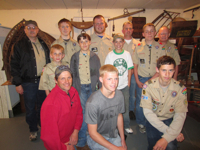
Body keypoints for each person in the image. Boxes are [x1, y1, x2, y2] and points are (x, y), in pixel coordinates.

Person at [10, 20, 50, 141]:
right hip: (28, 83)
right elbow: (14, 65)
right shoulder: (18, 45)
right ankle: (33, 129)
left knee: (43, 106)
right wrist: (17, 84)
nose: (32, 30)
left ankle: (42, 125)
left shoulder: (43, 43)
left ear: (38, 29)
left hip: (43, 81)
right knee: (30, 107)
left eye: (34, 27)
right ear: (25, 30)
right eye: (29, 28)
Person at [140, 56, 187, 150]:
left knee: (171, 147)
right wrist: (172, 133)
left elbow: (180, 115)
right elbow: (148, 113)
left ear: (174, 71)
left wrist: (167, 137)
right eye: (164, 70)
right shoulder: (148, 86)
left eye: (170, 70)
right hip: (153, 120)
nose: (167, 74)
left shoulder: (180, 89)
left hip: (169, 119)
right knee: (153, 145)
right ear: (157, 70)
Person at [41, 65, 83, 150]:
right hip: (58, 145)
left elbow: (79, 113)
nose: (67, 81)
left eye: (69, 77)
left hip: (71, 137)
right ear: (56, 80)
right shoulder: (51, 103)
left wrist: (75, 132)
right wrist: (65, 148)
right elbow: (49, 136)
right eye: (62, 78)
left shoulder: (74, 92)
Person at [85, 64, 127, 150]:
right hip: (96, 138)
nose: (114, 82)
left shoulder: (119, 95)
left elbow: (119, 116)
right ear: (101, 79)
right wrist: (115, 148)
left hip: (113, 134)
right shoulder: (92, 102)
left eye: (116, 78)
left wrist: (123, 140)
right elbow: (92, 133)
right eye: (109, 79)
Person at [70, 33, 101, 148]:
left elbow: (98, 73)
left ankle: (92, 137)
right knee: (82, 113)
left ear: (90, 42)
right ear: (78, 43)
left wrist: (101, 87)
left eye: (86, 41)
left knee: (92, 112)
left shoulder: (94, 57)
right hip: (81, 88)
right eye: (81, 41)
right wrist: (73, 90)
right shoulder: (75, 57)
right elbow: (72, 74)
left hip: (92, 88)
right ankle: (82, 138)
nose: (84, 43)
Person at [133, 23, 163, 133]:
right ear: (143, 34)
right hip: (141, 79)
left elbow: (162, 66)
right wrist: (136, 80)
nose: (149, 33)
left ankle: (153, 122)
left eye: (152, 31)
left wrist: (151, 80)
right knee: (141, 102)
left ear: (155, 33)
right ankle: (141, 123)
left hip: (156, 79)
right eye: (147, 31)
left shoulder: (161, 48)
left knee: (155, 101)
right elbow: (135, 65)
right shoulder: (138, 47)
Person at [105, 34, 133, 134]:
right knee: (113, 107)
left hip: (124, 85)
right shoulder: (110, 55)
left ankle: (126, 125)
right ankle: (113, 126)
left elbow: (129, 69)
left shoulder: (127, 54)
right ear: (113, 43)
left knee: (125, 106)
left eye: (120, 41)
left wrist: (128, 82)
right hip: (113, 86)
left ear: (123, 42)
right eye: (116, 42)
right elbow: (107, 71)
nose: (118, 44)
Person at [122, 21, 140, 120]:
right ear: (122, 30)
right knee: (122, 93)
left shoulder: (138, 44)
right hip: (121, 73)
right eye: (126, 28)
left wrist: (132, 71)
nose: (128, 30)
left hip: (133, 73)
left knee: (132, 94)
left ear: (132, 30)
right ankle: (122, 110)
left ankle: (131, 111)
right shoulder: (119, 43)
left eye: (130, 28)